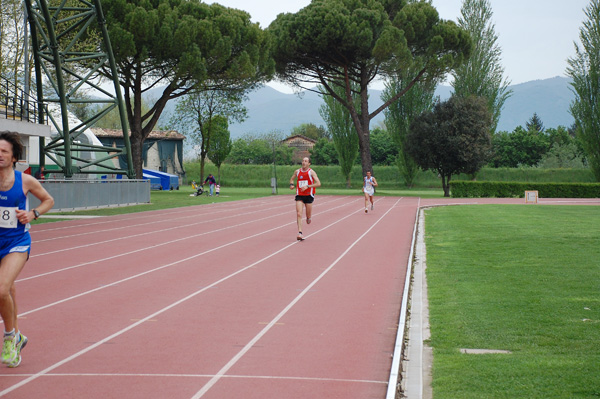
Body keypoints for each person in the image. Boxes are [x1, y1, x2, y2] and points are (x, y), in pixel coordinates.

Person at [0, 131, 54, 368]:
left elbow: (48, 200)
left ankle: (10, 337)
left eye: (3, 151)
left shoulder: (25, 181)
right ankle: (19, 335)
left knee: (1, 289)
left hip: (16, 242)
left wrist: (33, 213)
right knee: (8, 290)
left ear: (13, 157)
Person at [289, 157, 321, 241]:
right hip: (299, 194)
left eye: (306, 161)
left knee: (308, 216)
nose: (303, 162)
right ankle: (300, 232)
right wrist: (291, 185)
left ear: (309, 163)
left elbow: (318, 183)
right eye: (303, 161)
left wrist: (308, 186)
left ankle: (308, 217)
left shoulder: (311, 172)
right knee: (299, 213)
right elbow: (292, 179)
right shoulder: (297, 171)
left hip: (309, 195)